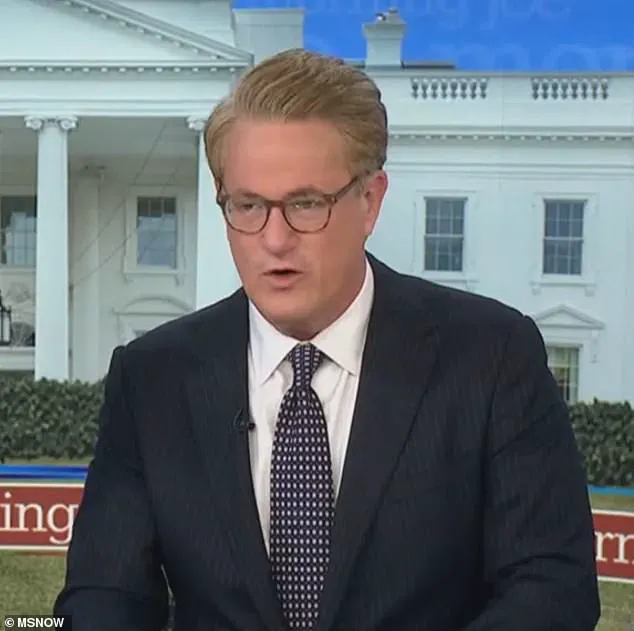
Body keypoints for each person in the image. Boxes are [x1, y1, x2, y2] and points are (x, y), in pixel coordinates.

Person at [54, 48, 601, 631]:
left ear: (370, 201)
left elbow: (551, 589)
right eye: (247, 205)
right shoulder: (152, 378)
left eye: (306, 204)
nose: (274, 239)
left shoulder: (492, 356)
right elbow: (103, 597)